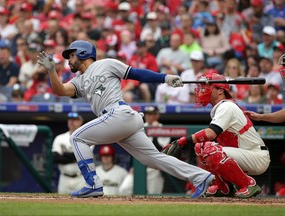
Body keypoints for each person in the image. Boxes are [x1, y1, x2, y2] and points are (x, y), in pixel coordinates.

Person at [37, 40, 214, 198]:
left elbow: (136, 74)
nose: (69, 59)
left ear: (83, 53)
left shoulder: (106, 64)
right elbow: (60, 90)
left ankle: (92, 184)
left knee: (76, 137)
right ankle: (201, 176)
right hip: (120, 121)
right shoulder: (79, 80)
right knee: (152, 159)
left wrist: (165, 78)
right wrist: (52, 70)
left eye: (72, 55)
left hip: (119, 114)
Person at [163, 72, 270, 199]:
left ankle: (249, 184)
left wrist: (182, 141)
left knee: (210, 150)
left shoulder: (227, 106)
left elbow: (211, 133)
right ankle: (223, 188)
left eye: (207, 87)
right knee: (200, 146)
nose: (203, 90)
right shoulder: (220, 107)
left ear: (220, 91)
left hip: (256, 156)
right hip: (243, 153)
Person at [119, 106, 167, 195]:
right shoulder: (139, 126)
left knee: (154, 194)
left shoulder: (162, 128)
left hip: (154, 167)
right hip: (139, 164)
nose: (149, 116)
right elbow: (132, 147)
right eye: (147, 114)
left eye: (151, 114)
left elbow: (162, 149)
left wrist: (155, 130)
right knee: (124, 189)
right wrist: (133, 165)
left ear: (157, 115)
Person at [52, 112, 85, 194]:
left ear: (80, 122)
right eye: (70, 120)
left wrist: (64, 154)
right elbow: (55, 158)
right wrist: (74, 157)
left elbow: (81, 157)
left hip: (80, 178)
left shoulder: (86, 137)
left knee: (83, 204)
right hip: (64, 178)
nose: (71, 122)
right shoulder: (60, 138)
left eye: (74, 120)